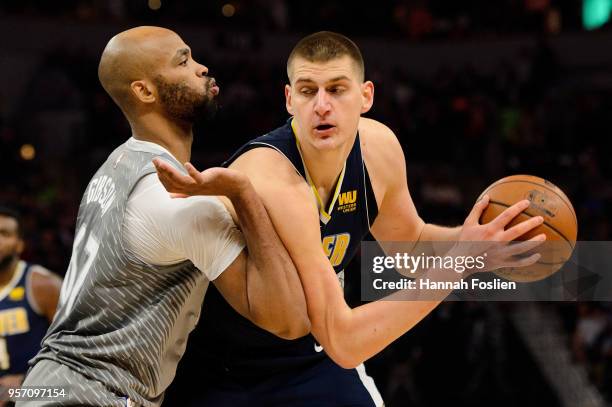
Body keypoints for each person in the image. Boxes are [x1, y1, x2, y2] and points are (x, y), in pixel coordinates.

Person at [158, 31, 546, 406]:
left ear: (366, 96)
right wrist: (461, 262)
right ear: (290, 100)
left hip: (307, 357)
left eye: (337, 89)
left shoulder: (378, 150)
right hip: (220, 366)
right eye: (308, 91)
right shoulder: (272, 177)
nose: (322, 105)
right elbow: (343, 342)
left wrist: (479, 241)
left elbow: (409, 247)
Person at [17, 26, 309, 407]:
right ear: (144, 91)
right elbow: (288, 320)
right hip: (94, 394)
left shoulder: (114, 166)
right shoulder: (173, 200)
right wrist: (243, 193)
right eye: (183, 61)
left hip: (44, 384)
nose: (202, 68)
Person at [0, 206, 61, 405]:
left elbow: (74, 352)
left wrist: (26, 382)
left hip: (40, 391)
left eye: (4, 234)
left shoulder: (44, 285)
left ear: (19, 245)